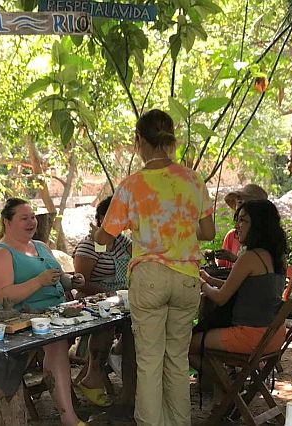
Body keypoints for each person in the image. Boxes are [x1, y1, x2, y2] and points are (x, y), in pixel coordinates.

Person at [94, 109, 216, 426]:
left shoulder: (133, 185)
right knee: (176, 360)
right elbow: (208, 232)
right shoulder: (193, 179)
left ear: (139, 141)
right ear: (171, 139)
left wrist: (104, 232)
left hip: (149, 276)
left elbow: (105, 236)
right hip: (188, 277)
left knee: (149, 361)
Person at [0, 198, 88, 426]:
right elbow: (3, 299)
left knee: (109, 323)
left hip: (60, 312)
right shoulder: (1, 254)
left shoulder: (41, 246)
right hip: (25, 319)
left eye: (32, 217)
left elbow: (59, 280)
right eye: (24, 218)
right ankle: (68, 416)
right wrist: (37, 282)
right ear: (7, 222)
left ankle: (96, 385)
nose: (32, 222)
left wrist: (72, 281)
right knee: (56, 342)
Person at [189, 199, 287, 404]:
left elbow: (221, 297)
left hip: (251, 336)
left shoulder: (250, 257)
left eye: (243, 220)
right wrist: (208, 279)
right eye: (237, 220)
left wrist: (201, 285)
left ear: (259, 224)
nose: (237, 226)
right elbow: (243, 287)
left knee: (184, 345)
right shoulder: (276, 256)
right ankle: (226, 387)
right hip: (274, 335)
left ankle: (228, 386)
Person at [72, 195, 132, 407]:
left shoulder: (124, 242)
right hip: (95, 302)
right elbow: (79, 283)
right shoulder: (89, 246)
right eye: (111, 217)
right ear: (100, 218)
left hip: (124, 301)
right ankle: (93, 377)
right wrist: (107, 294)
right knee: (104, 324)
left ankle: (118, 356)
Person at [214, 184, 268, 268]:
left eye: (242, 220)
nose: (237, 226)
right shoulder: (232, 235)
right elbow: (222, 266)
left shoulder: (267, 242)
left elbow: (256, 269)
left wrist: (235, 259)